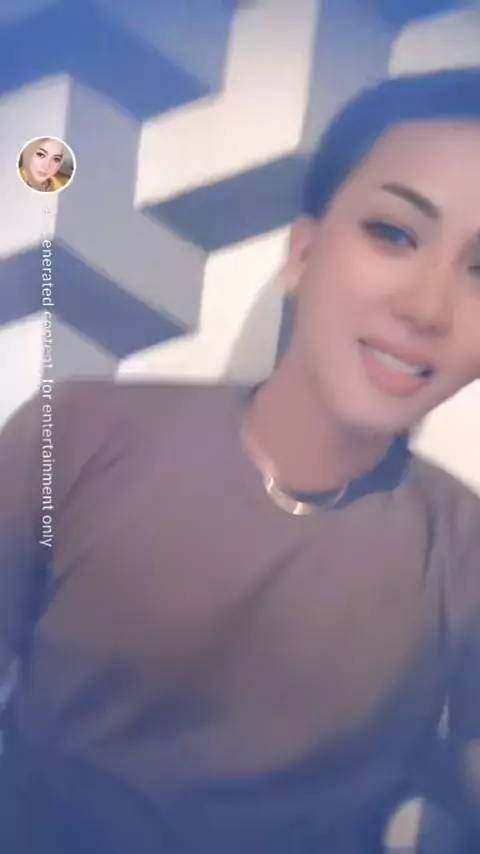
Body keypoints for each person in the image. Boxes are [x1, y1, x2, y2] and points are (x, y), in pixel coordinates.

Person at [1, 67, 480, 853]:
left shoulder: (463, 550)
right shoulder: (75, 436)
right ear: (303, 254)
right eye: (394, 233)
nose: (426, 309)